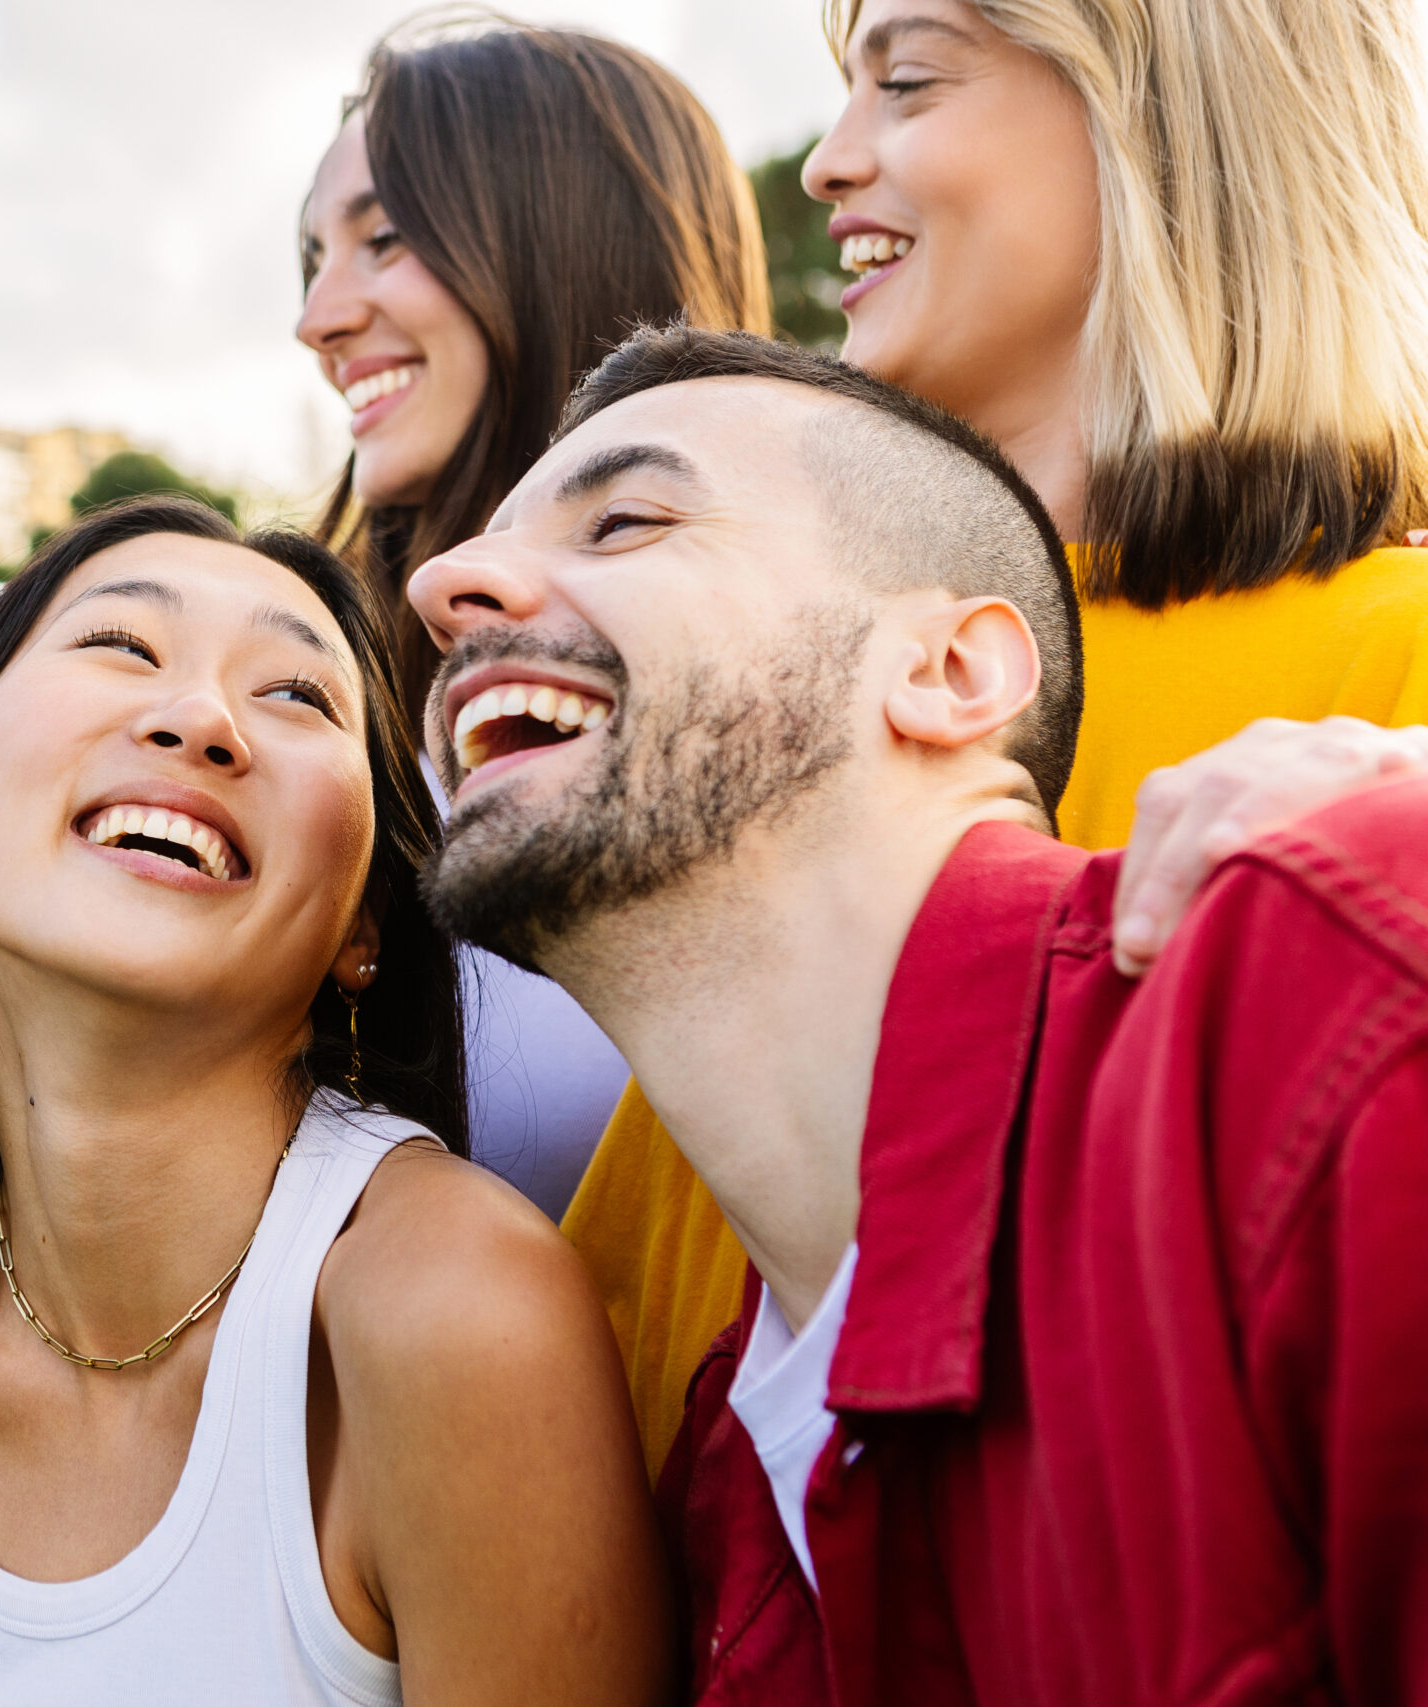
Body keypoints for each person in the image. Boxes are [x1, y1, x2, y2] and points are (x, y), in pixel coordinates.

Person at [413, 323, 1428, 1701]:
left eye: (628, 519)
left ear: (953, 671)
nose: (443, 582)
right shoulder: (716, 1482)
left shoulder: (1318, 1003)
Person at [569, 0, 1428, 1480]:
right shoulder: (782, 664)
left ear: (1163, 120)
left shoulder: (1397, 659)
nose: (830, 163)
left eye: (905, 81)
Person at [0, 499, 670, 1703]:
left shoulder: (450, 1314)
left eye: (296, 696)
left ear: (363, 927)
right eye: (121, 648)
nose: (200, 719)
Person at [295, 18, 770, 1214]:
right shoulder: (326, 688)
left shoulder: (802, 659)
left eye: (383, 239)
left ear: (561, 233)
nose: (318, 318)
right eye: (311, 260)